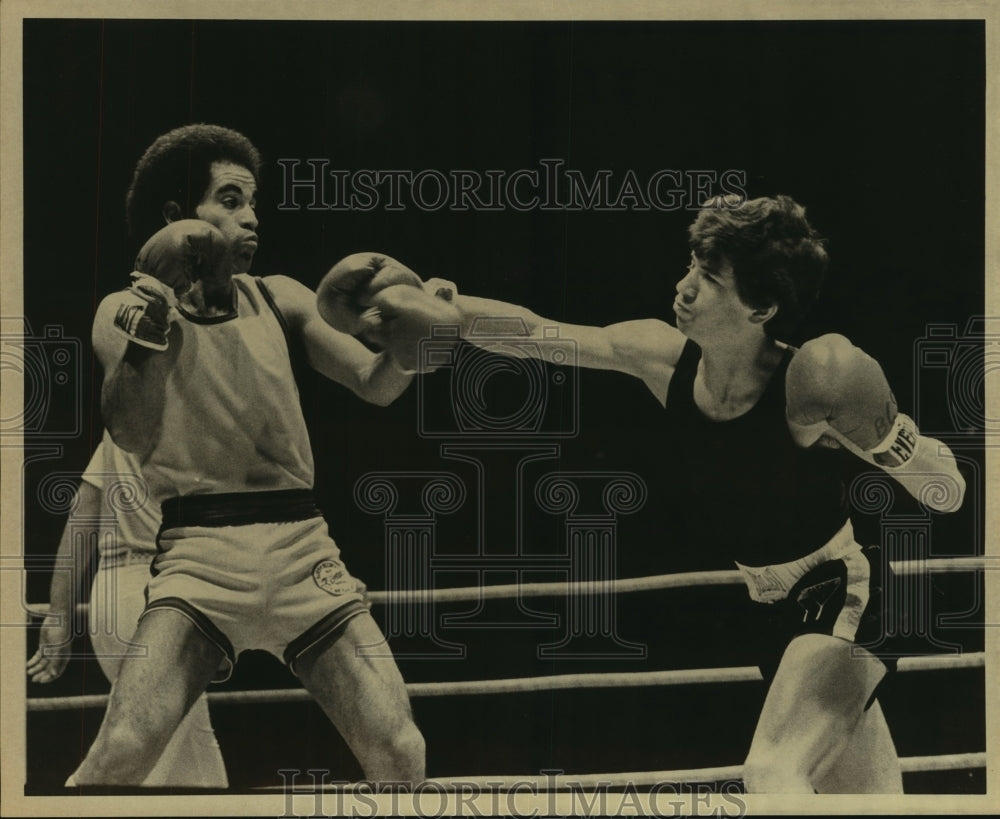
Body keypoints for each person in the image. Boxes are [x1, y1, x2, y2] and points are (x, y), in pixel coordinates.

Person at [447, 194, 966, 793]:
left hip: (844, 590)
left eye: (710, 277)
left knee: (772, 773)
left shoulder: (809, 381)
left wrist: (895, 443)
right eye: (692, 265)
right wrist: (444, 307)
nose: (684, 286)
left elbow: (947, 492)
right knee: (870, 802)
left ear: (761, 306)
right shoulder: (662, 359)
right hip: (776, 612)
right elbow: (539, 334)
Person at [68, 123, 456, 786]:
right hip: (198, 555)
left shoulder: (281, 294)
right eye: (229, 200)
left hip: (306, 550)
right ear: (177, 217)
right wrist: (152, 333)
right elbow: (129, 430)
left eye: (253, 201)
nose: (250, 217)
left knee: (400, 748)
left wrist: (416, 343)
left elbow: (373, 382)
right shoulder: (121, 310)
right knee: (121, 750)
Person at [27, 431, 228, 788]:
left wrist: (60, 615)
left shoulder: (125, 421)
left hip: (111, 593)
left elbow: (83, 517)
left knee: (189, 768)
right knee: (128, 756)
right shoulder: (205, 418)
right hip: (162, 592)